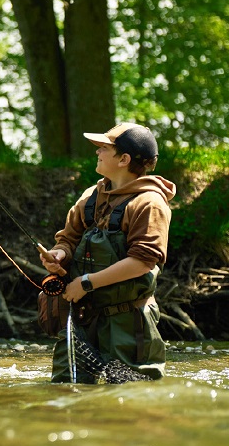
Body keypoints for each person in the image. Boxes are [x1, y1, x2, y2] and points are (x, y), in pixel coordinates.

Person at [39, 123, 176, 383]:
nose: (97, 152)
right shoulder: (91, 196)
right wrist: (59, 256)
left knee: (131, 397)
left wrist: (86, 283)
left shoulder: (149, 203)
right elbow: (67, 240)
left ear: (124, 159)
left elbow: (142, 262)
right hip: (82, 317)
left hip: (127, 322)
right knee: (65, 390)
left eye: (104, 148)